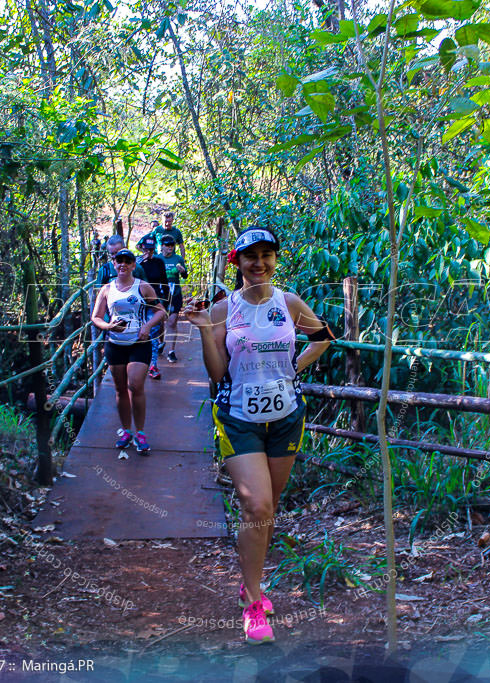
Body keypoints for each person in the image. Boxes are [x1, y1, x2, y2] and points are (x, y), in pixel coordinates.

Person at [185, 227, 332, 644]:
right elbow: (216, 373)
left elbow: (323, 338)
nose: (260, 262)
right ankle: (253, 602)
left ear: (275, 259)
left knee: (269, 508)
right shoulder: (223, 309)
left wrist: (294, 368)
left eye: (267, 255)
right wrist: (200, 330)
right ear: (238, 262)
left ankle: (251, 581)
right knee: (257, 506)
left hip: (286, 416)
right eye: (251, 256)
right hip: (238, 416)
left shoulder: (288, 303)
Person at [91, 248, 166, 456]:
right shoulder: (106, 289)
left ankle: (140, 433)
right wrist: (108, 326)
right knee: (120, 389)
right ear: (114, 264)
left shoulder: (142, 287)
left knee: (135, 384)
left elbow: (161, 311)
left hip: (138, 343)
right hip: (115, 344)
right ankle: (126, 431)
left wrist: (147, 326)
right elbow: (96, 317)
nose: (122, 264)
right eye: (119, 260)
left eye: (127, 261)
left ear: (134, 265)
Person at [136, 234, 169, 380]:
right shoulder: (136, 264)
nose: (148, 252)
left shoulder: (159, 262)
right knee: (139, 334)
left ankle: (153, 365)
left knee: (153, 334)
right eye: (145, 249)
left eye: (150, 249)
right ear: (141, 248)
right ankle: (138, 363)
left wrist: (165, 304)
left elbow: (165, 282)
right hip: (138, 304)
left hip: (155, 304)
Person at [158, 234, 187, 362]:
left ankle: (171, 351)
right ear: (162, 246)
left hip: (175, 295)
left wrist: (182, 271)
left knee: (171, 322)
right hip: (160, 295)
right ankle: (161, 342)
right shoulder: (157, 259)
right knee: (159, 322)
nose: (171, 247)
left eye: (172, 245)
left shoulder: (178, 259)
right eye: (168, 245)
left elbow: (185, 275)